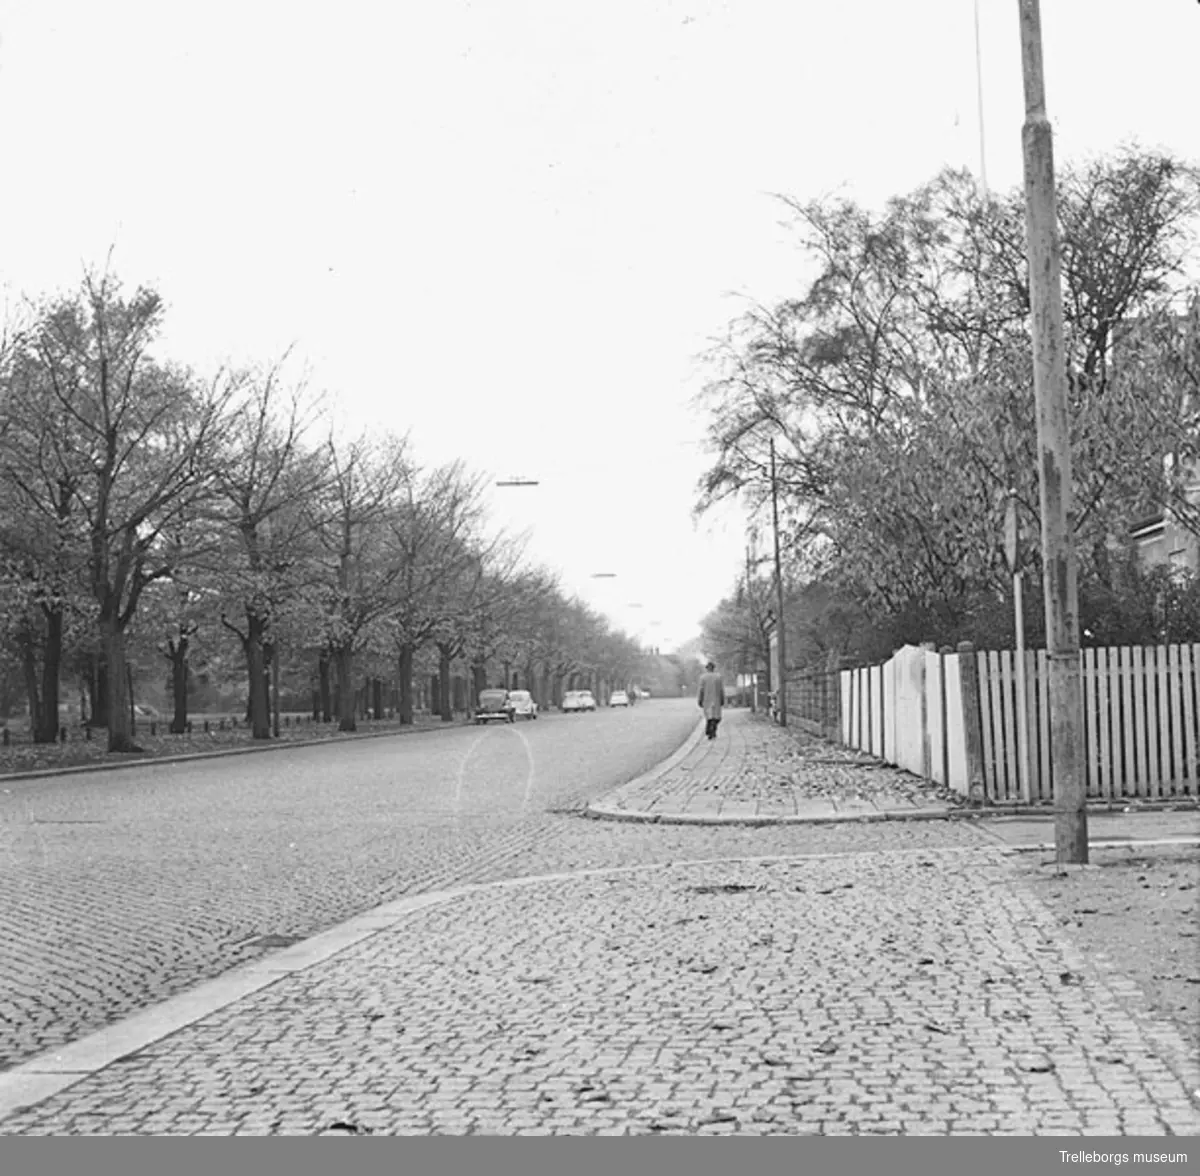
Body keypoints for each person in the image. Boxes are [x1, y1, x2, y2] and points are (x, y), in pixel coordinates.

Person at [697, 661, 725, 740]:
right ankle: (712, 730)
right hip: (716, 699)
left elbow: (701, 690)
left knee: (709, 717)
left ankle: (709, 730)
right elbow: (721, 690)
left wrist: (700, 699)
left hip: (707, 700)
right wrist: (722, 699)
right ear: (713, 668)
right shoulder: (718, 677)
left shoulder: (703, 677)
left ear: (707, 669)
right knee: (716, 717)